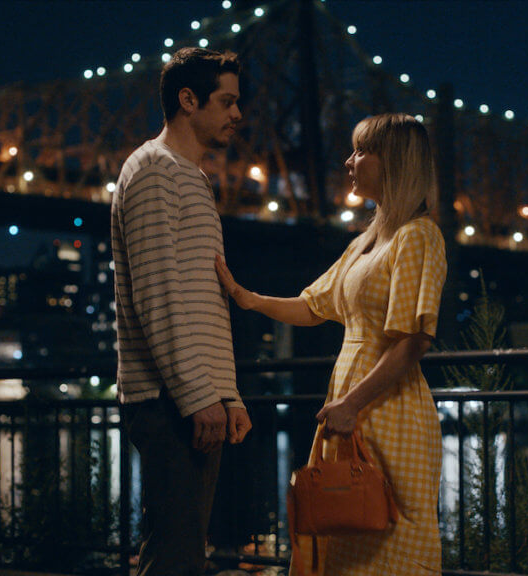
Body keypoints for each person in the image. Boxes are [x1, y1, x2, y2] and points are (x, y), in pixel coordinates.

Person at [216, 113, 446, 575]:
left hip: (387, 408)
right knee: (344, 529)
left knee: (393, 534)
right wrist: (249, 299)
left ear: (395, 163)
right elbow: (313, 306)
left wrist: (350, 405)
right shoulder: (367, 242)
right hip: (350, 408)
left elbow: (413, 341)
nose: (349, 161)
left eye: (362, 151)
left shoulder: (419, 235)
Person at [111, 46, 252, 576]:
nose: (238, 114)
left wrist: (228, 392)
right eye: (227, 101)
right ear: (187, 100)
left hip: (191, 397)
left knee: (184, 553)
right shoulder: (152, 170)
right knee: (174, 559)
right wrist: (199, 395)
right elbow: (157, 295)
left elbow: (204, 302)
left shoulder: (191, 176)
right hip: (169, 400)